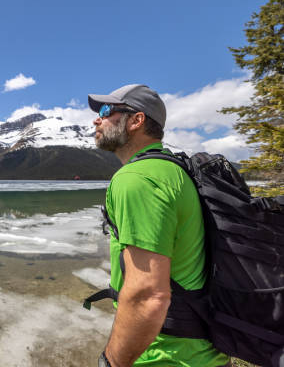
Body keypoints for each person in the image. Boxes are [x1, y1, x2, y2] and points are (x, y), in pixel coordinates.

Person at [87, 84, 230, 367]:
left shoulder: (138, 178)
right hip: (201, 348)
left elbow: (147, 295)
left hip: (165, 356)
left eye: (106, 111)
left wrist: (112, 361)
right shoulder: (174, 170)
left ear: (136, 120)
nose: (96, 119)